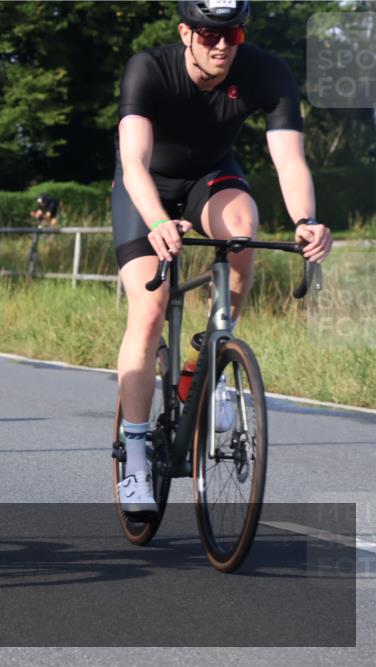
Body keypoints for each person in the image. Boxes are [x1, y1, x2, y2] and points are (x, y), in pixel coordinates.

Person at [113, 1, 332, 514]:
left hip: (211, 178)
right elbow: (133, 162)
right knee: (150, 309)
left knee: (242, 230)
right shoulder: (149, 67)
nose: (219, 46)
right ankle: (139, 455)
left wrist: (305, 222)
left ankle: (210, 359)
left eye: (230, 36)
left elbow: (289, 159)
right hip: (146, 188)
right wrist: (157, 221)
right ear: (185, 32)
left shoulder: (266, 71)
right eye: (209, 34)